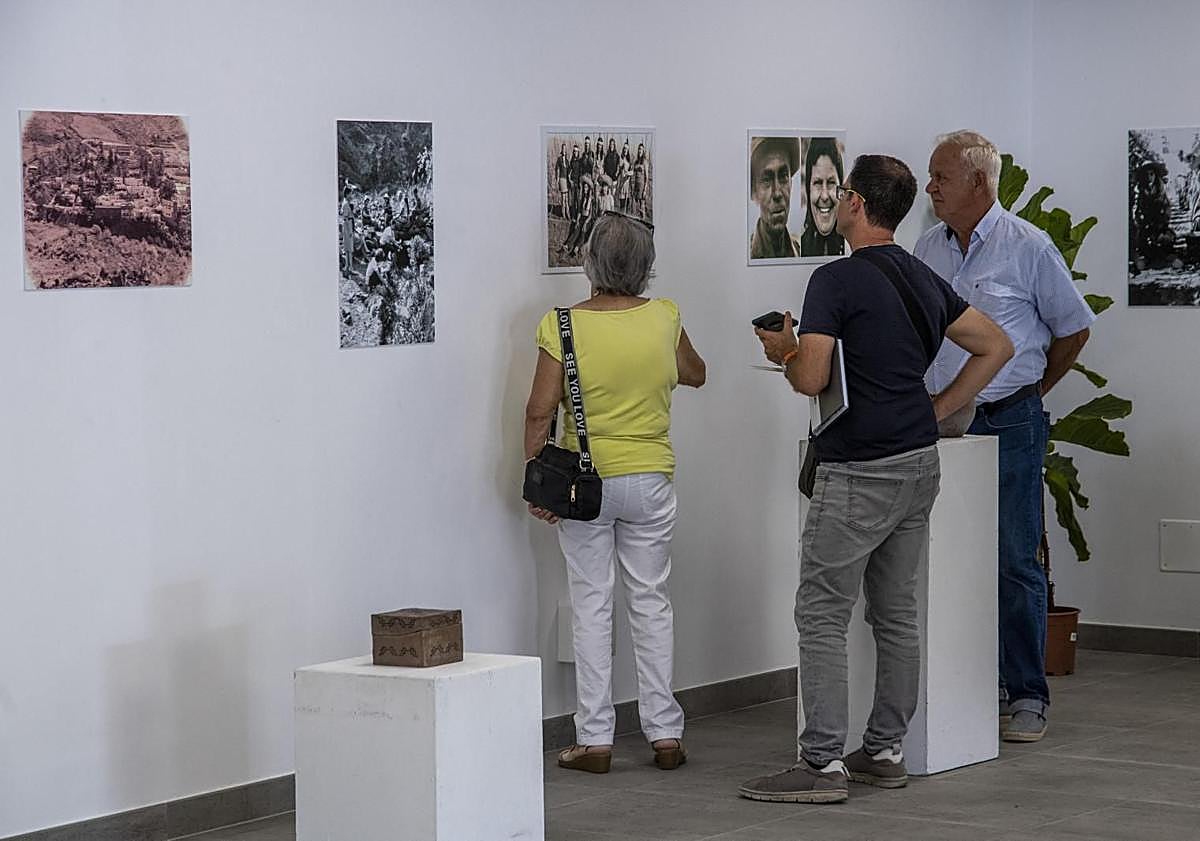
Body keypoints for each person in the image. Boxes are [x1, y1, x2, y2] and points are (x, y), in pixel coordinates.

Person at [739, 155, 1013, 804]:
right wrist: (937, 410)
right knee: (896, 613)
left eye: (840, 196)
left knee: (822, 610)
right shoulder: (922, 277)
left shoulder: (832, 280)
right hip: (919, 463)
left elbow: (811, 378)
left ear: (856, 203)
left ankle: (823, 762)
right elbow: (996, 345)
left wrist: (782, 352)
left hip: (857, 468)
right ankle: (886, 749)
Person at [915, 130, 1096, 744]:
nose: (931, 187)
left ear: (979, 183)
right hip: (942, 421)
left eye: (940, 177)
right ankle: (968, 682)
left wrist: (1033, 392)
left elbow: (1072, 329)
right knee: (945, 556)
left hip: (1010, 418)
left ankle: (1026, 695)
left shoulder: (1028, 247)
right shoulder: (927, 248)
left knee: (1014, 556)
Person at [524, 212, 707, 774]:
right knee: (651, 600)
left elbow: (539, 409)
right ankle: (665, 733)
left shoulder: (562, 325)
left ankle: (596, 738)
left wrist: (535, 475)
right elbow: (696, 373)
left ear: (590, 262)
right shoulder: (666, 317)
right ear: (646, 268)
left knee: (591, 603)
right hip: (651, 478)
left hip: (586, 485)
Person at [749, 136, 802, 259]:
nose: (777, 193)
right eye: (766, 179)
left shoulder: (799, 251)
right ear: (754, 192)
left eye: (783, 176)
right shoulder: (746, 255)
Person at [800, 137, 847, 257]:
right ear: (808, 189)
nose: (825, 196)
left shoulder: (851, 248)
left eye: (831, 183)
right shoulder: (800, 248)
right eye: (818, 183)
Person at [632, 143, 650, 218]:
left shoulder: (645, 162)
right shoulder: (636, 162)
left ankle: (643, 222)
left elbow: (647, 177)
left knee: (642, 206)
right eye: (639, 149)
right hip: (636, 185)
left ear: (643, 151)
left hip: (642, 186)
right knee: (636, 206)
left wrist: (645, 190)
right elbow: (633, 173)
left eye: (641, 149)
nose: (639, 150)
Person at [555, 143, 571, 220]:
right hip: (562, 179)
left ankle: (567, 214)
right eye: (563, 148)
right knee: (563, 198)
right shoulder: (559, 159)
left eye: (565, 149)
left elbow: (569, 172)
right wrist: (557, 179)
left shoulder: (567, 161)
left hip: (566, 180)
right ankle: (564, 214)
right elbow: (557, 169)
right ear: (561, 150)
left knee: (566, 199)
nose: (564, 150)